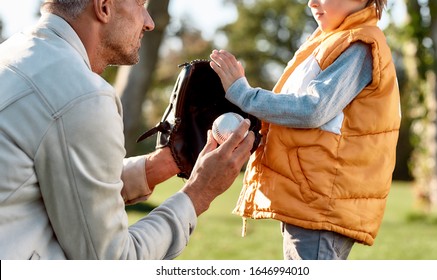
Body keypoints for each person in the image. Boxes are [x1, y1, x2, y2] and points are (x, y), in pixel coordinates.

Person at [0, 0, 255, 260]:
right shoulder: (82, 94)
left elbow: (64, 185)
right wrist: (199, 192)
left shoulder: (13, 53)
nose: (149, 22)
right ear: (104, 7)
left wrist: (161, 165)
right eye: (140, 4)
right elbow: (115, 261)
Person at [210, 0, 401, 260]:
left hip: (321, 201)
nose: (312, 2)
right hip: (309, 196)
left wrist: (244, 94)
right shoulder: (329, 41)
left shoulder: (359, 46)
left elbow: (313, 109)